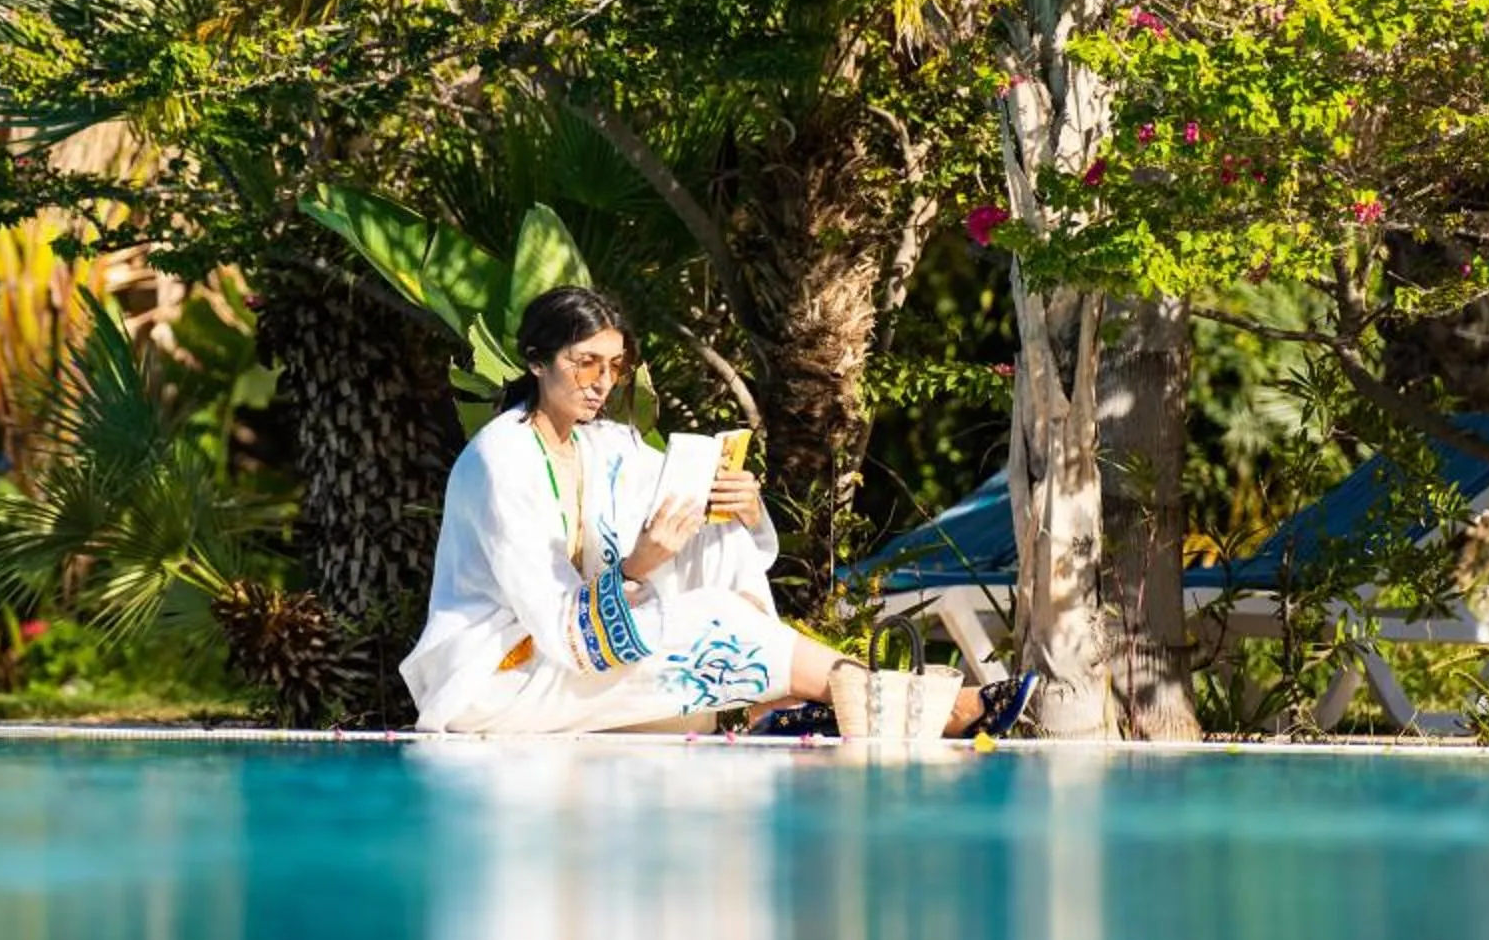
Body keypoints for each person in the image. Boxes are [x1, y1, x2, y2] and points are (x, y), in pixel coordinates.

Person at [402, 284, 1037, 737]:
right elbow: (563, 627)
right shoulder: (501, 460)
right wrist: (639, 565)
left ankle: (788, 706)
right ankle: (938, 705)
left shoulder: (602, 445)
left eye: (613, 366)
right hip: (498, 678)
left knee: (718, 591)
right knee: (712, 619)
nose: (601, 381)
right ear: (538, 362)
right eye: (584, 362)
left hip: (562, 664)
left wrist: (741, 501)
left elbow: (679, 491)